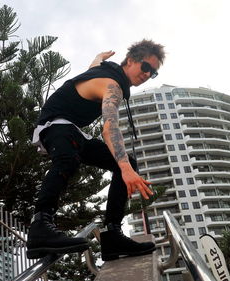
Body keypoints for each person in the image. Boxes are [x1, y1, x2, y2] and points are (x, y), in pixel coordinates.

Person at [26, 39, 166, 260]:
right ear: (130, 61)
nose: (148, 74)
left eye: (154, 73)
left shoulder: (102, 71)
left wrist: (100, 56)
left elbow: (93, 65)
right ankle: (41, 225)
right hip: (55, 124)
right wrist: (126, 170)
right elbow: (109, 127)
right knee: (70, 160)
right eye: (146, 67)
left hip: (71, 129)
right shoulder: (112, 85)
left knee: (125, 161)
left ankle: (112, 236)